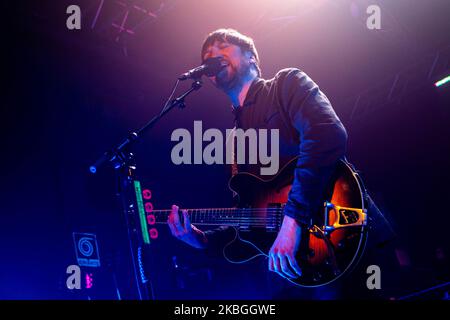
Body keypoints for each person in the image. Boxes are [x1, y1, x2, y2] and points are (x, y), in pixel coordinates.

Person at [167, 28, 349, 296]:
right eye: (207, 55)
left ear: (252, 57)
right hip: (287, 272)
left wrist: (292, 223)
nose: (212, 55)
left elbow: (326, 134)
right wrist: (201, 240)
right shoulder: (235, 143)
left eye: (223, 46)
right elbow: (250, 218)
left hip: (339, 236)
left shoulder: (286, 84)